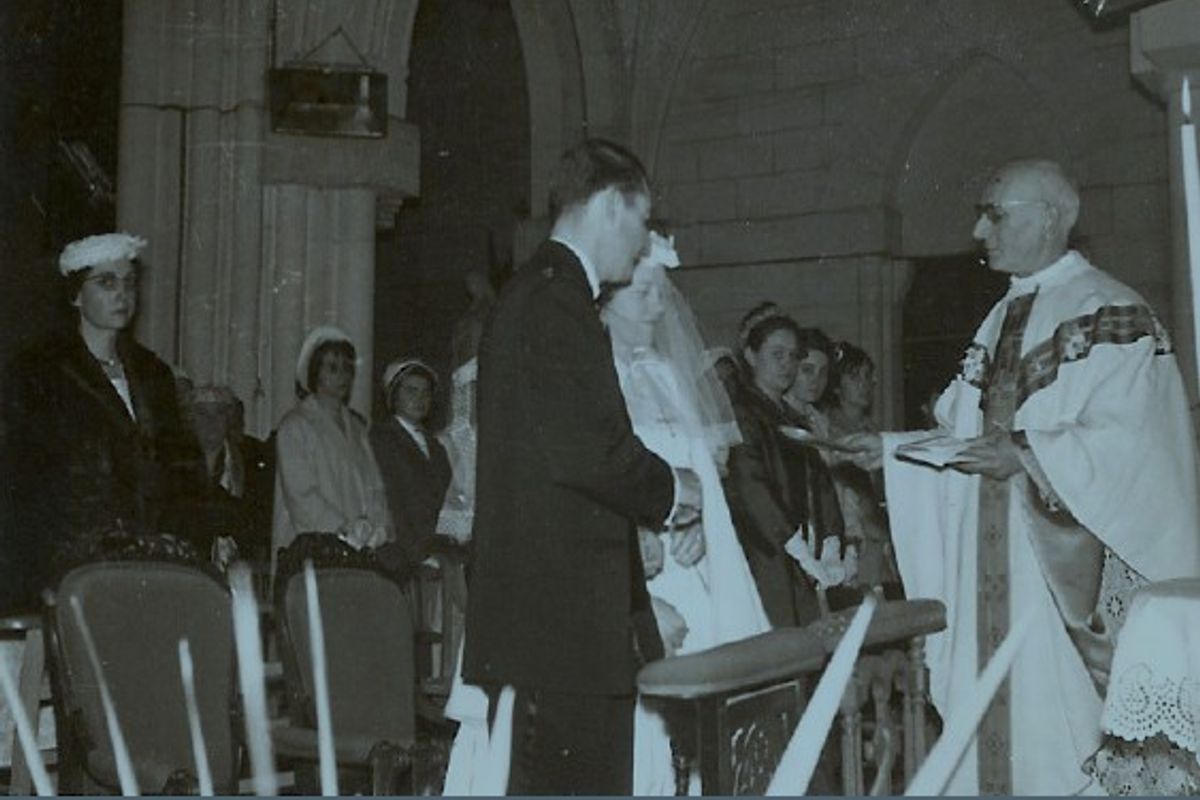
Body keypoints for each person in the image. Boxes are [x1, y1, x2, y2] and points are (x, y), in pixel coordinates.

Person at [842, 159, 1200, 794]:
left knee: (1059, 742)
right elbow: (965, 436)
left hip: (1058, 579)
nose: (980, 231)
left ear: (1051, 218)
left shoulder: (1113, 310)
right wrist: (889, 450)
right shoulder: (1003, 315)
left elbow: (1135, 445)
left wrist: (1027, 454)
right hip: (995, 577)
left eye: (995, 214)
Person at [457, 138, 701, 796]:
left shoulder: (545, 294)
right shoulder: (554, 302)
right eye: (644, 223)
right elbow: (587, 450)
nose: (644, 243)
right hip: (555, 632)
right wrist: (671, 492)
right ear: (613, 205)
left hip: (562, 630)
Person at [602, 231, 771, 794]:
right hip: (632, 570)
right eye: (644, 293)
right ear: (605, 297)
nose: (658, 307)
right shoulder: (589, 377)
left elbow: (692, 467)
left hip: (689, 562)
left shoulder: (665, 375)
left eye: (661, 292)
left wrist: (696, 516)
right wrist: (634, 533)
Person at [1, 232, 198, 608]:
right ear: (76, 295)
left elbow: (182, 474)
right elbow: (23, 483)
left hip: (149, 561)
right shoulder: (40, 372)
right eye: (106, 282)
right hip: (73, 563)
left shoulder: (153, 373)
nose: (122, 294)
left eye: (129, 282)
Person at [271, 325, 392, 576]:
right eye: (332, 368)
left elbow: (374, 487)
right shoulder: (295, 426)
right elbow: (302, 497)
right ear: (314, 373)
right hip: (315, 553)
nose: (343, 377)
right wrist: (343, 529)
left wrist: (377, 527)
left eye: (347, 368)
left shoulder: (358, 429)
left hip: (358, 554)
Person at [818, 343, 898, 590]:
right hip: (849, 538)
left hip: (877, 537)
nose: (864, 385)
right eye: (854, 377)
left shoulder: (872, 431)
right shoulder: (827, 430)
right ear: (836, 385)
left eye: (868, 377)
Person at [177, 384, 275, 564]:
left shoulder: (250, 461)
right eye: (202, 414)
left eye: (219, 413)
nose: (211, 421)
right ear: (190, 420)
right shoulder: (177, 465)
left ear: (230, 420)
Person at [369, 358, 452, 567]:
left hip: (433, 550)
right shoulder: (383, 439)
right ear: (393, 396)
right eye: (411, 391)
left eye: (426, 392)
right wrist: (418, 555)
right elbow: (391, 503)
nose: (420, 398)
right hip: (403, 556)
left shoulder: (436, 447)